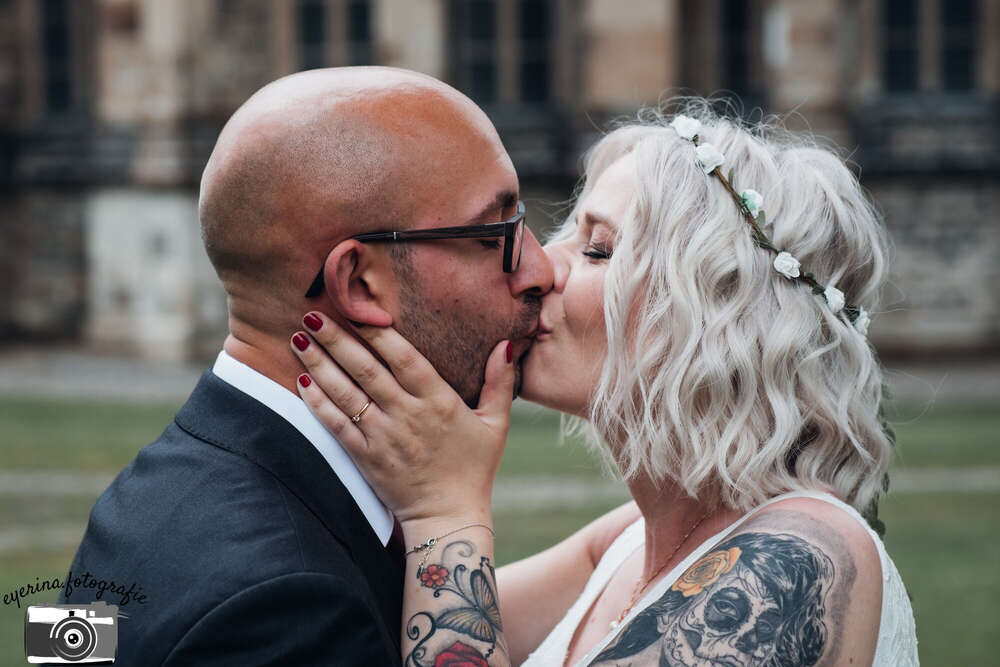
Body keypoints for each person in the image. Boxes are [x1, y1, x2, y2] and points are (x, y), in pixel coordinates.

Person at [290, 104, 919, 665]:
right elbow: (362, 634)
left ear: (715, 318)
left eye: (596, 249)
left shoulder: (798, 561)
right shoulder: (624, 543)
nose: (537, 268)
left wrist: (445, 512)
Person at [59, 67, 552, 665]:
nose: (540, 270)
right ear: (361, 282)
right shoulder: (286, 606)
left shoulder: (136, 499)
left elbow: (56, 651)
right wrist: (450, 517)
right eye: (494, 232)